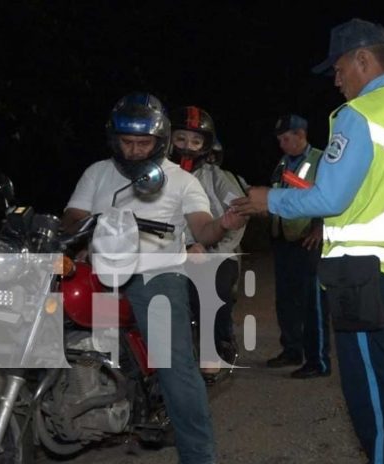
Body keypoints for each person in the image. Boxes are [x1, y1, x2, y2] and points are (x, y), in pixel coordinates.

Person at [232, 18, 384, 464]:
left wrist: (266, 200)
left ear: (364, 60)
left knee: (373, 399)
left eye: (338, 68)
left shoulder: (361, 116)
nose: (336, 80)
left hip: (363, 276)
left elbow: (330, 197)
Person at [62, 92, 245, 464]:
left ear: (159, 141)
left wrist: (222, 224)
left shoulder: (180, 181)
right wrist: (72, 233)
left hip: (156, 274)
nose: (133, 151)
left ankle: (199, 455)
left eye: (142, 143)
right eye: (126, 142)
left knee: (174, 364)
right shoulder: (97, 172)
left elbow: (202, 228)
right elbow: (73, 216)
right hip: (99, 268)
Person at [169, 105, 248, 381]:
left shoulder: (217, 177)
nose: (187, 147)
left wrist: (212, 250)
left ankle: (213, 347)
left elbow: (238, 215)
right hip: (169, 252)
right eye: (180, 139)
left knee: (210, 285)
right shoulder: (156, 175)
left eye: (195, 141)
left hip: (215, 254)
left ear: (206, 145)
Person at [264, 114, 331, 379]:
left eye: (286, 138)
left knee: (312, 303)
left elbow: (331, 196)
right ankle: (292, 350)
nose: (282, 144)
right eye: (279, 140)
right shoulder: (284, 161)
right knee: (286, 300)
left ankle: (318, 361)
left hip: (308, 239)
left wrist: (320, 227)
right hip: (284, 239)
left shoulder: (322, 160)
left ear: (301, 135)